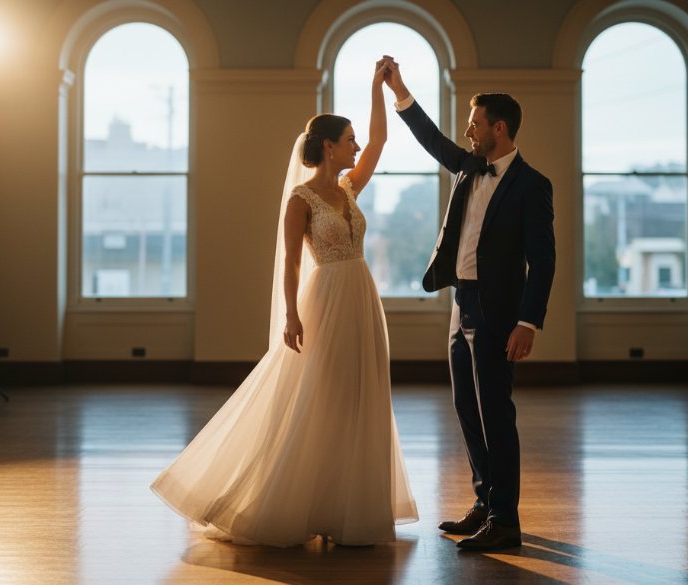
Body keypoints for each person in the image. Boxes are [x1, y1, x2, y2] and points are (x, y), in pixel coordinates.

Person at [151, 57, 417, 547]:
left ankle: (346, 508)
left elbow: (379, 143)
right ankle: (294, 501)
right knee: (321, 398)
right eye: (349, 139)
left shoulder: (348, 187)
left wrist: (379, 88)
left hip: (362, 298)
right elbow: (292, 262)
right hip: (327, 301)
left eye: (355, 139)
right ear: (329, 147)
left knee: (361, 399)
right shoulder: (302, 200)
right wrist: (291, 314)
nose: (357, 145)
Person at [383, 58, 555, 550]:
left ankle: (506, 521)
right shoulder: (467, 166)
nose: (468, 130)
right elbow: (432, 139)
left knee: (495, 412)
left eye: (475, 123)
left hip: (500, 312)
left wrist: (529, 322)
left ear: (498, 128)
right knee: (465, 406)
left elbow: (543, 262)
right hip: (462, 302)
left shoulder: (531, 185)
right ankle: (485, 502)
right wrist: (400, 91)